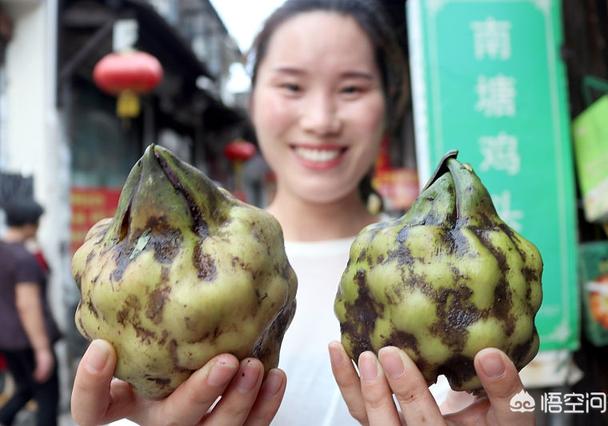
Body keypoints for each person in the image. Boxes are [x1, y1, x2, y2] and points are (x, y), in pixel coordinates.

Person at [71, 1, 535, 424]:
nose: (320, 119)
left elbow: (508, 394)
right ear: (251, 99)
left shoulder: (472, 276)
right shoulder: (147, 287)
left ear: (389, 105)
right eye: (291, 85)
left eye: (351, 88)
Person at [0, 200, 62, 426]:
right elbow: (28, 306)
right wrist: (43, 350)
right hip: (29, 341)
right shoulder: (23, 259)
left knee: (25, 389)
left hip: (7, 340)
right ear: (28, 225)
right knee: (47, 399)